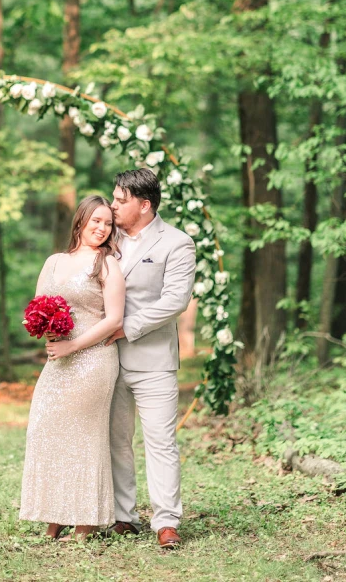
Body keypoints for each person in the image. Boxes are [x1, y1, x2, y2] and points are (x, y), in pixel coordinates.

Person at [19, 195, 125, 540]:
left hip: (93, 358)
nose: (102, 228)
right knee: (46, 427)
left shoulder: (107, 264)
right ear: (80, 221)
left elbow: (114, 319)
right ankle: (55, 513)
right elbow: (37, 304)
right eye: (96, 221)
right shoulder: (53, 262)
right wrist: (44, 325)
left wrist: (74, 345)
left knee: (84, 436)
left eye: (108, 223)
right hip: (59, 358)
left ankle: (86, 521)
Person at [106, 168, 196, 549]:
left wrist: (127, 327)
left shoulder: (177, 243)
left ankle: (166, 521)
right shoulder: (103, 237)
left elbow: (175, 300)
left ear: (144, 205)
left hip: (154, 359)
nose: (111, 206)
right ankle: (124, 515)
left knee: (160, 441)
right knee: (116, 440)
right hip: (105, 359)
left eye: (120, 200)